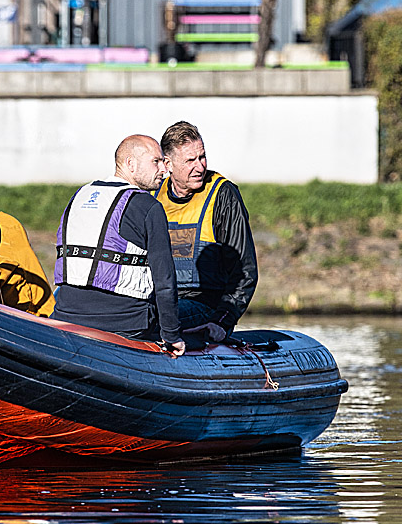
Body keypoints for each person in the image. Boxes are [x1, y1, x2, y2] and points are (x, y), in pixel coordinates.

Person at [50, 135, 185, 356]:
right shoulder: (149, 206)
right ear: (130, 164)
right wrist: (171, 336)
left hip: (66, 315)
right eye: (156, 161)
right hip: (125, 324)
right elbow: (165, 281)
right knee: (196, 317)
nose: (165, 170)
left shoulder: (79, 195)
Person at [154, 121, 258, 342]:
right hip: (160, 301)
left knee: (154, 316)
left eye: (202, 157)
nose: (200, 166)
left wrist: (222, 321)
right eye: (190, 160)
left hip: (205, 306)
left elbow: (244, 271)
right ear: (168, 164)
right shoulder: (152, 196)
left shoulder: (223, 195)